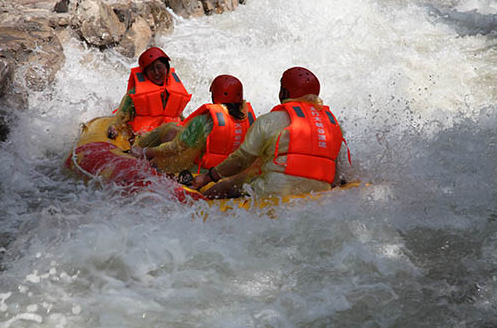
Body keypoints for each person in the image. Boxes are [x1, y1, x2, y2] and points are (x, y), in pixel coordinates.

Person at [191, 67, 350, 199]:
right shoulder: (334, 125)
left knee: (225, 187)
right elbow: (338, 169)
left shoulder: (270, 120)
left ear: (284, 93)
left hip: (273, 193)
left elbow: (241, 159)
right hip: (318, 195)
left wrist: (208, 177)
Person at [130, 74, 256, 175]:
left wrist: (148, 152)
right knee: (172, 127)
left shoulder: (203, 121)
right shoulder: (249, 117)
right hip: (233, 171)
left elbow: (176, 147)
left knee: (155, 162)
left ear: (215, 94)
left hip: (201, 171)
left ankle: (136, 149)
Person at [107, 47, 192, 141]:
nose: (156, 73)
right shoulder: (134, 94)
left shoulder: (173, 92)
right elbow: (121, 117)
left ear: (166, 68)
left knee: (174, 129)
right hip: (143, 138)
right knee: (171, 129)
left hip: (169, 136)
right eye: (151, 69)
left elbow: (178, 116)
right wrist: (114, 128)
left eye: (159, 67)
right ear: (145, 73)